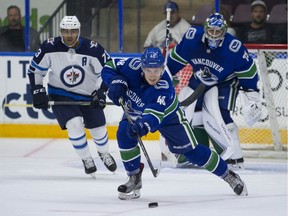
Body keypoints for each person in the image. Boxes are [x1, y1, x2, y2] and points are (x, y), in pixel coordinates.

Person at [101, 47, 248, 200]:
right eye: (149, 70)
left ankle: (228, 174)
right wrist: (115, 81)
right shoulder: (131, 66)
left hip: (169, 118)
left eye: (156, 70)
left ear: (162, 69)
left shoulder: (163, 88)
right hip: (136, 111)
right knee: (123, 134)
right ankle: (134, 177)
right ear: (141, 67)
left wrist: (142, 127)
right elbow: (109, 65)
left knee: (193, 153)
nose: (153, 75)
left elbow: (153, 116)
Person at [166, 13, 262, 170]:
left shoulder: (234, 48)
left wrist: (252, 95)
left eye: (218, 32)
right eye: (211, 31)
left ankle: (234, 159)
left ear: (224, 31)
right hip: (198, 79)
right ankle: (197, 155)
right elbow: (175, 60)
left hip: (225, 82)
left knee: (221, 116)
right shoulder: (192, 39)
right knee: (194, 114)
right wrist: (165, 76)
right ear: (205, 29)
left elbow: (249, 71)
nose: (214, 35)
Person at [27, 16, 117, 177]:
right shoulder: (49, 47)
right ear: (60, 31)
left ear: (79, 31)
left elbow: (108, 70)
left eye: (73, 31)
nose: (69, 35)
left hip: (88, 94)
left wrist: (101, 91)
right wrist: (37, 90)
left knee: (98, 128)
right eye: (65, 31)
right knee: (74, 124)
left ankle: (104, 153)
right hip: (61, 93)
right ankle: (87, 159)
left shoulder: (93, 49)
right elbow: (35, 70)